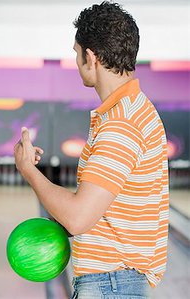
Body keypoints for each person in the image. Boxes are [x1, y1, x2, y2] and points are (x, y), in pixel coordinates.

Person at [14, 2, 168, 298]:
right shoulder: (133, 111)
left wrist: (28, 170)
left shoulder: (122, 124)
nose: (75, 61)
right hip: (116, 285)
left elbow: (79, 217)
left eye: (76, 53)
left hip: (110, 287)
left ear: (90, 57)